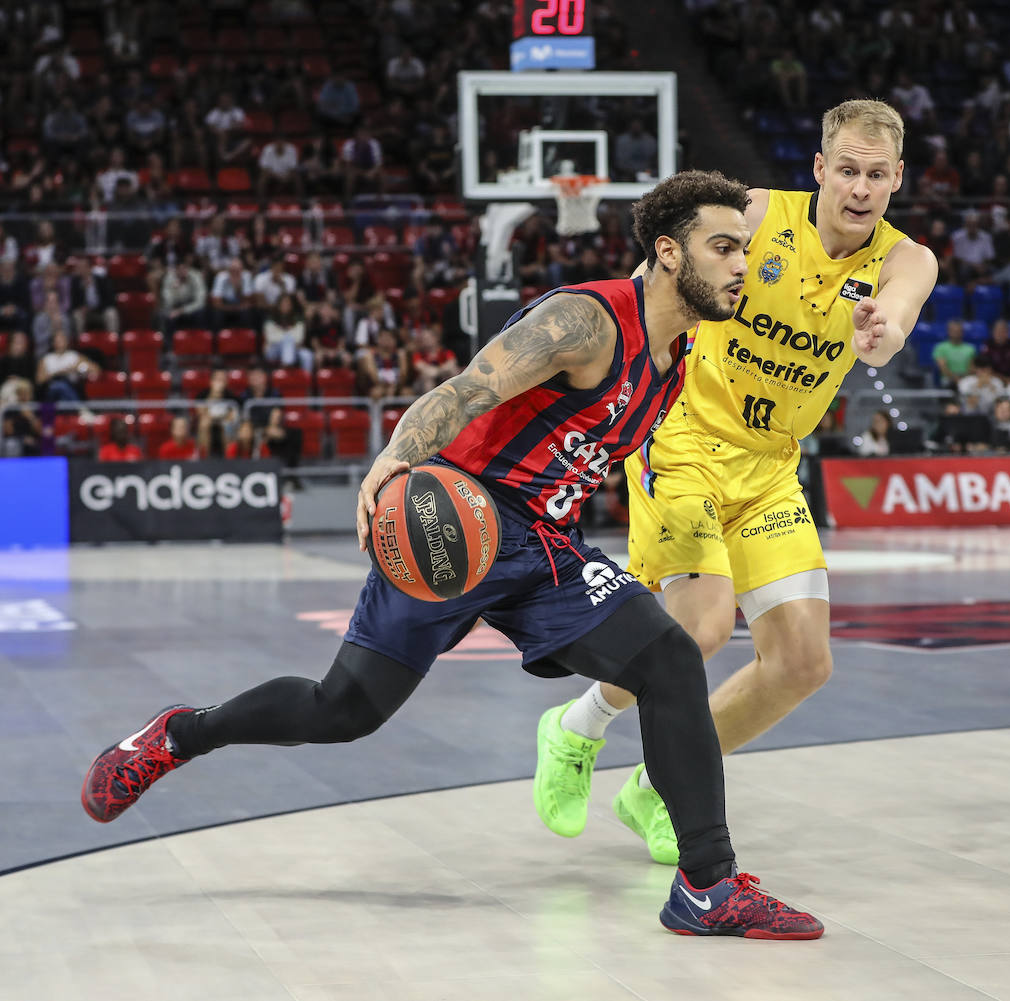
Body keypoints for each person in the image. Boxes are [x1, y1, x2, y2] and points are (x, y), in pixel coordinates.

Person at [79, 170, 822, 940]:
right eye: (724, 246)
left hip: (544, 547)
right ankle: (179, 733)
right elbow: (466, 390)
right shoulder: (588, 321)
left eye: (745, 247)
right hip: (455, 522)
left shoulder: (679, 357)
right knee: (342, 711)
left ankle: (706, 884)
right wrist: (396, 457)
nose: (742, 263)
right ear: (670, 252)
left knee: (669, 655)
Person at [532, 100, 936, 866]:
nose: (859, 188)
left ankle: (654, 782)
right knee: (705, 625)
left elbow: (898, 313)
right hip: (680, 434)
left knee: (802, 662)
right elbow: (649, 289)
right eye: (846, 169)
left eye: (876, 175)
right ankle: (578, 727)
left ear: (896, 180)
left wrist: (885, 327)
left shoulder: (903, 257)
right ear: (819, 168)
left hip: (769, 465)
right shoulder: (751, 216)